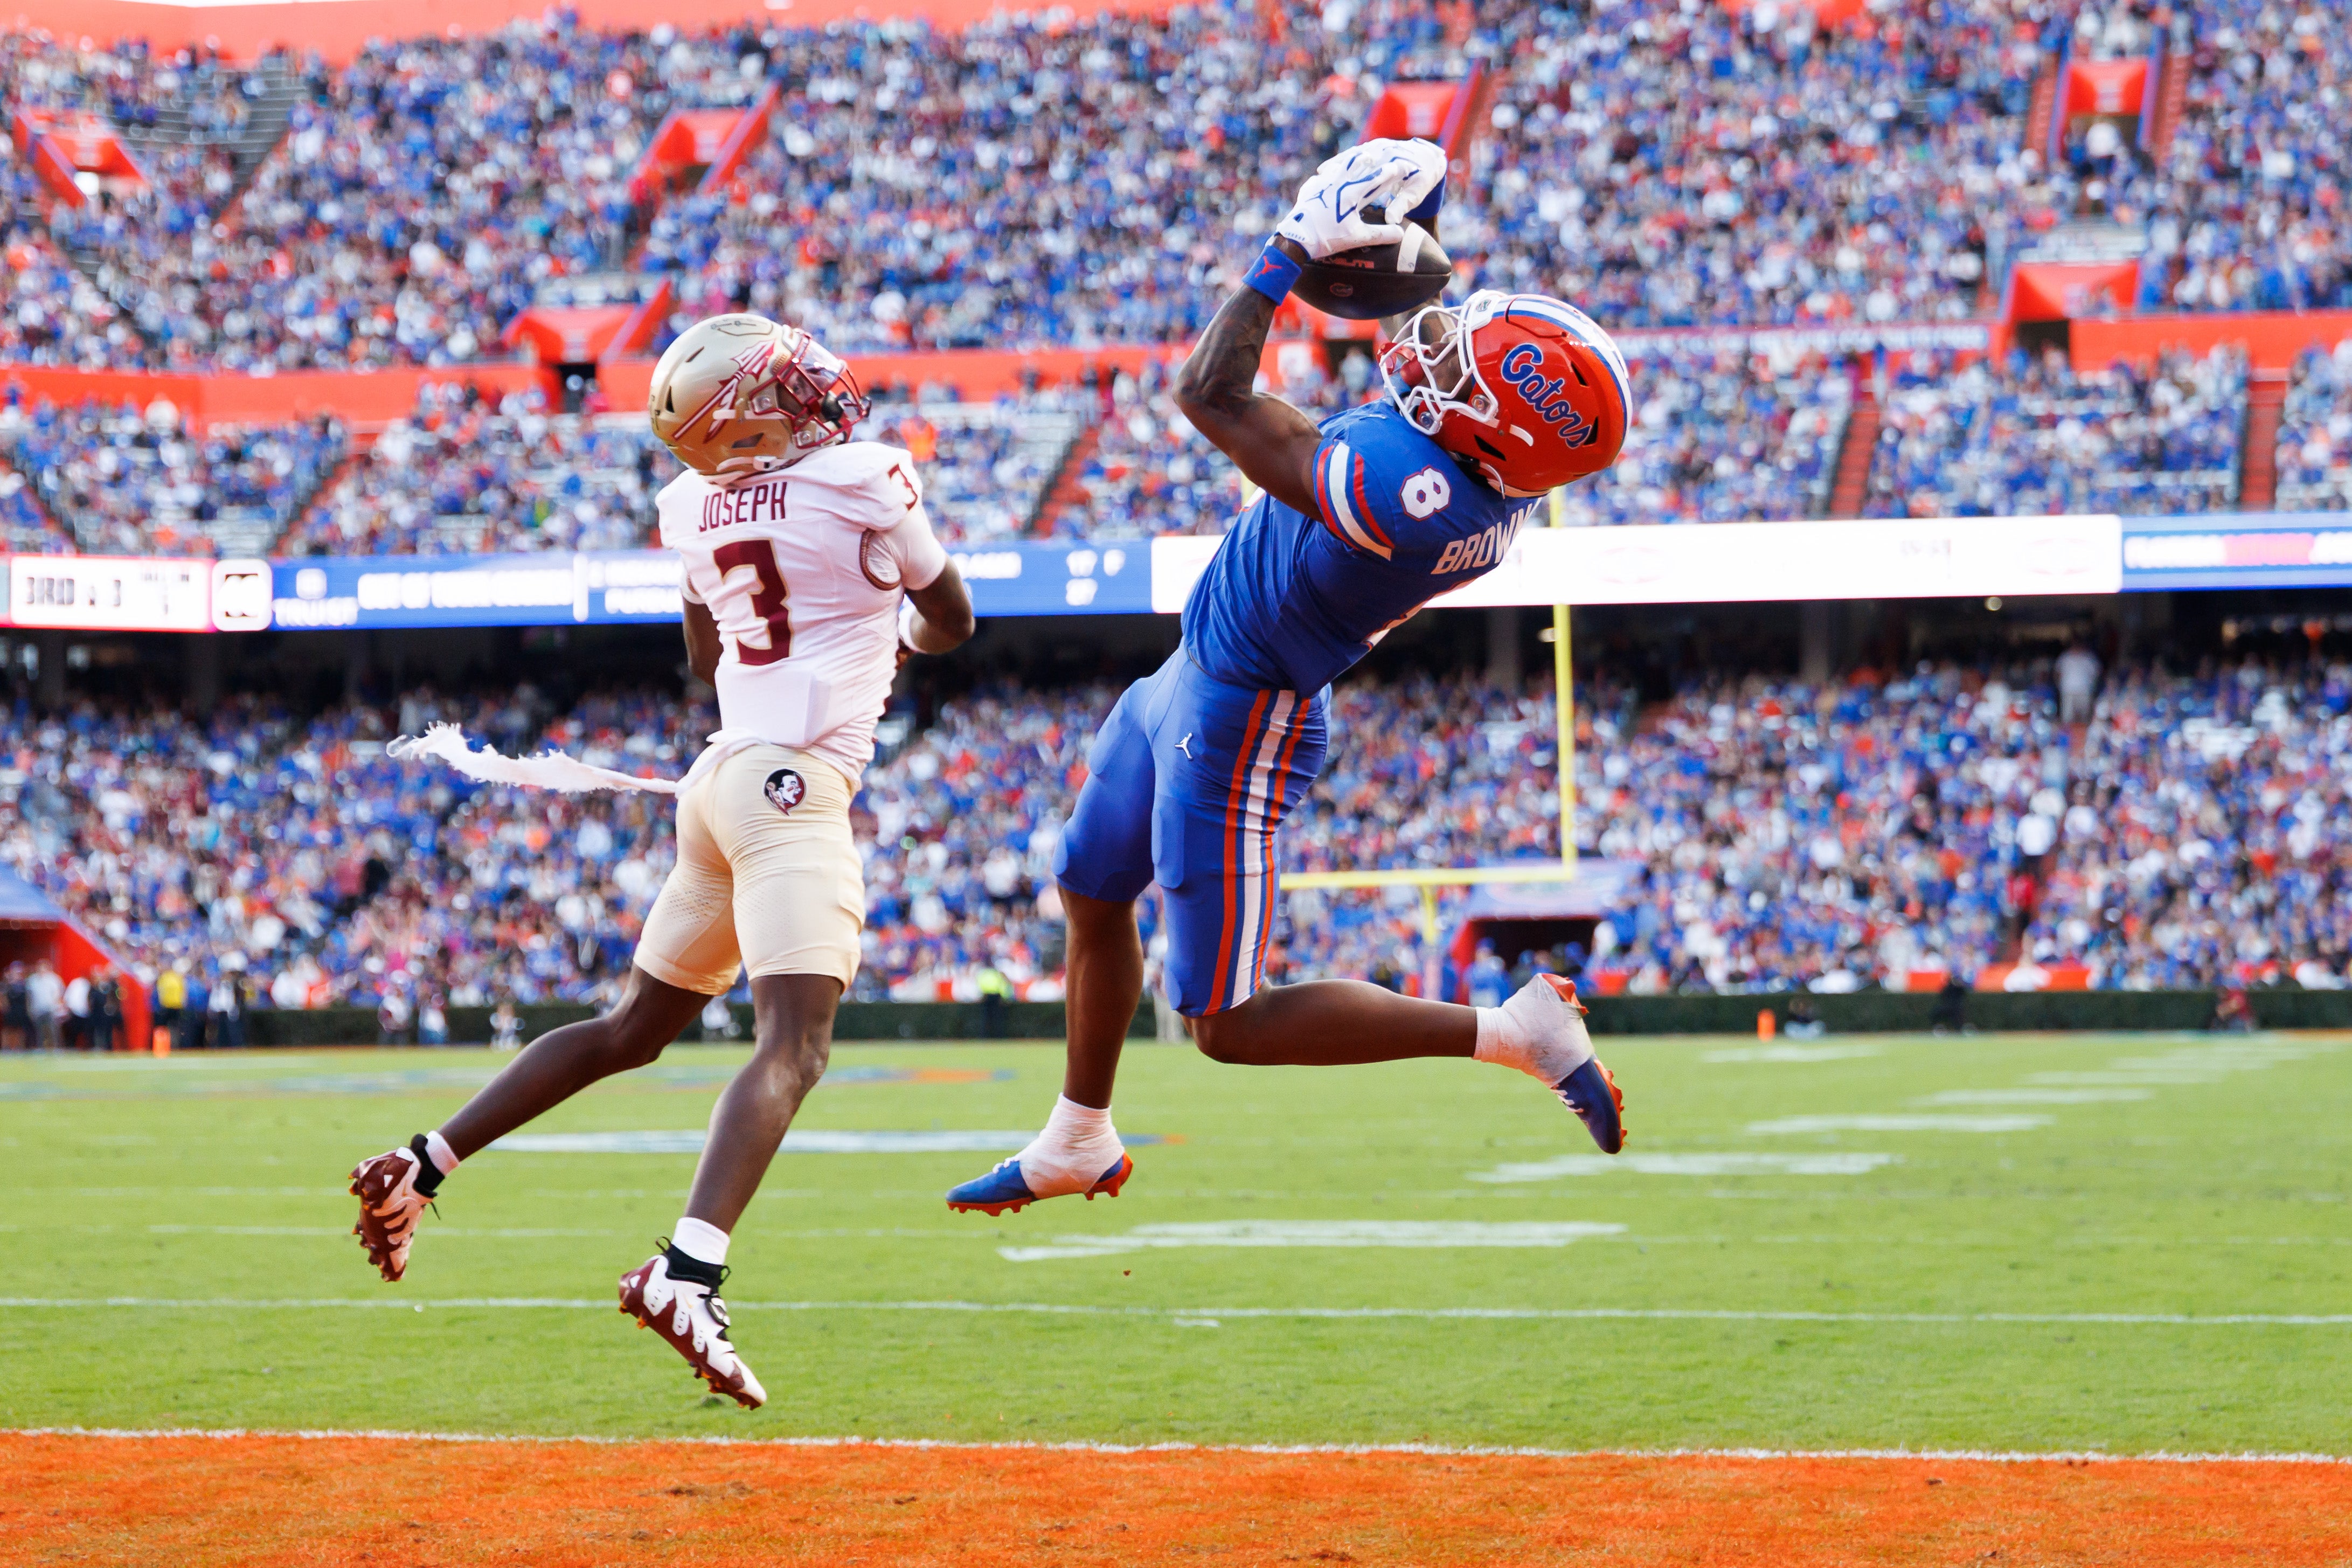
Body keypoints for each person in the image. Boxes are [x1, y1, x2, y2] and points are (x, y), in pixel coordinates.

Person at [946, 140, 1633, 1218]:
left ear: (1492, 429)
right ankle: (1076, 1134)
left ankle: (1511, 1034)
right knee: (1088, 889)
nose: (1436, 348)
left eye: (1463, 367)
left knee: (1224, 1023)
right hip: (1190, 670)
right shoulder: (1460, 463)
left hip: (1239, 714)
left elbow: (1207, 392)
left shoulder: (1410, 493)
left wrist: (1287, 255)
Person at [352, 311, 975, 1409]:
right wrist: (887, 622)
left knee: (629, 1029)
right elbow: (953, 619)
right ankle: (688, 1271)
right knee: (794, 1049)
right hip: (790, 791)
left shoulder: (685, 505)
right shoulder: (869, 477)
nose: (813, 390)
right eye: (784, 385)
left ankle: (425, 1161)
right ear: (746, 415)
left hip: (719, 781)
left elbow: (704, 654)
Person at [26, 959, 64, 1053]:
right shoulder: (32, 980)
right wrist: (30, 1009)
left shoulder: (54, 979)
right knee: (39, 1031)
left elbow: (58, 994)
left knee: (52, 1030)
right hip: (37, 1009)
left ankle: (55, 1048)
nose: (42, 969)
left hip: (50, 1009)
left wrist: (57, 1008)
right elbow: (29, 996)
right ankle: (41, 1048)